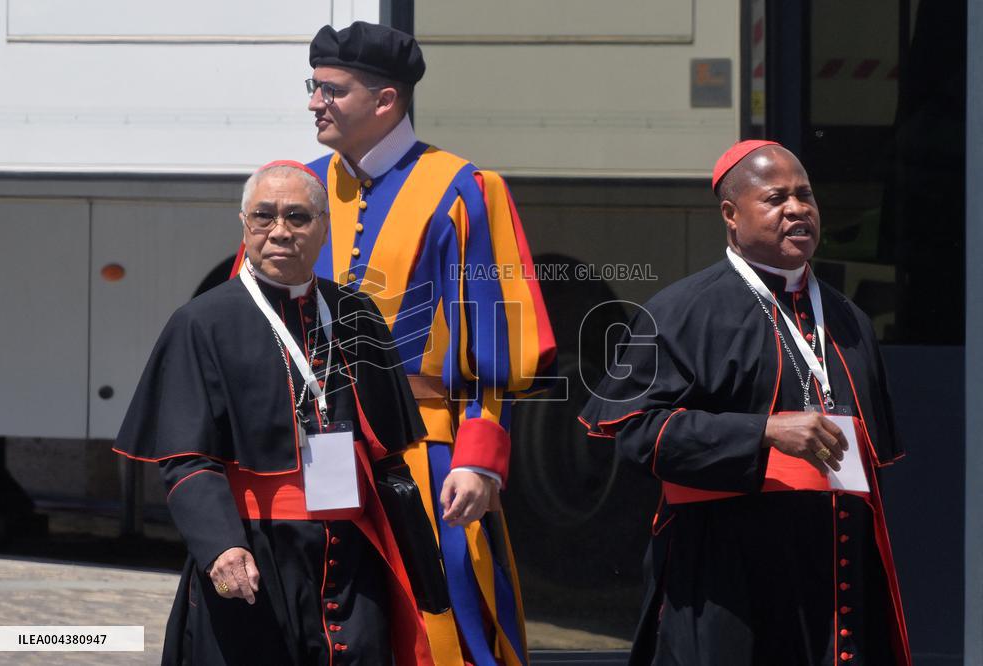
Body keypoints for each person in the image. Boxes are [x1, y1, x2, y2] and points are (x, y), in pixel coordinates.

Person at [580, 141, 911, 665]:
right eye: (776, 198)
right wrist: (763, 432)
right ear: (731, 216)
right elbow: (636, 432)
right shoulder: (681, 310)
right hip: (727, 579)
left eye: (805, 196)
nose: (797, 209)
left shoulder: (849, 319)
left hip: (834, 577)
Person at [304, 20, 556, 666]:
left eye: (330, 90)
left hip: (426, 453)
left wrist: (479, 457)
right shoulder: (297, 189)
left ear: (385, 101)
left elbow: (493, 340)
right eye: (313, 87)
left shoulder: (462, 191)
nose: (314, 103)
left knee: (445, 620)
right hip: (313, 448)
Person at [113, 161, 434, 665]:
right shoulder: (202, 321)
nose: (280, 231)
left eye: (298, 217)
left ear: (323, 227)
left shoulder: (358, 315)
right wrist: (220, 545)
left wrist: (415, 558)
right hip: (254, 550)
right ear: (244, 223)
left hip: (351, 557)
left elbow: (390, 455)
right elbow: (185, 459)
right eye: (264, 216)